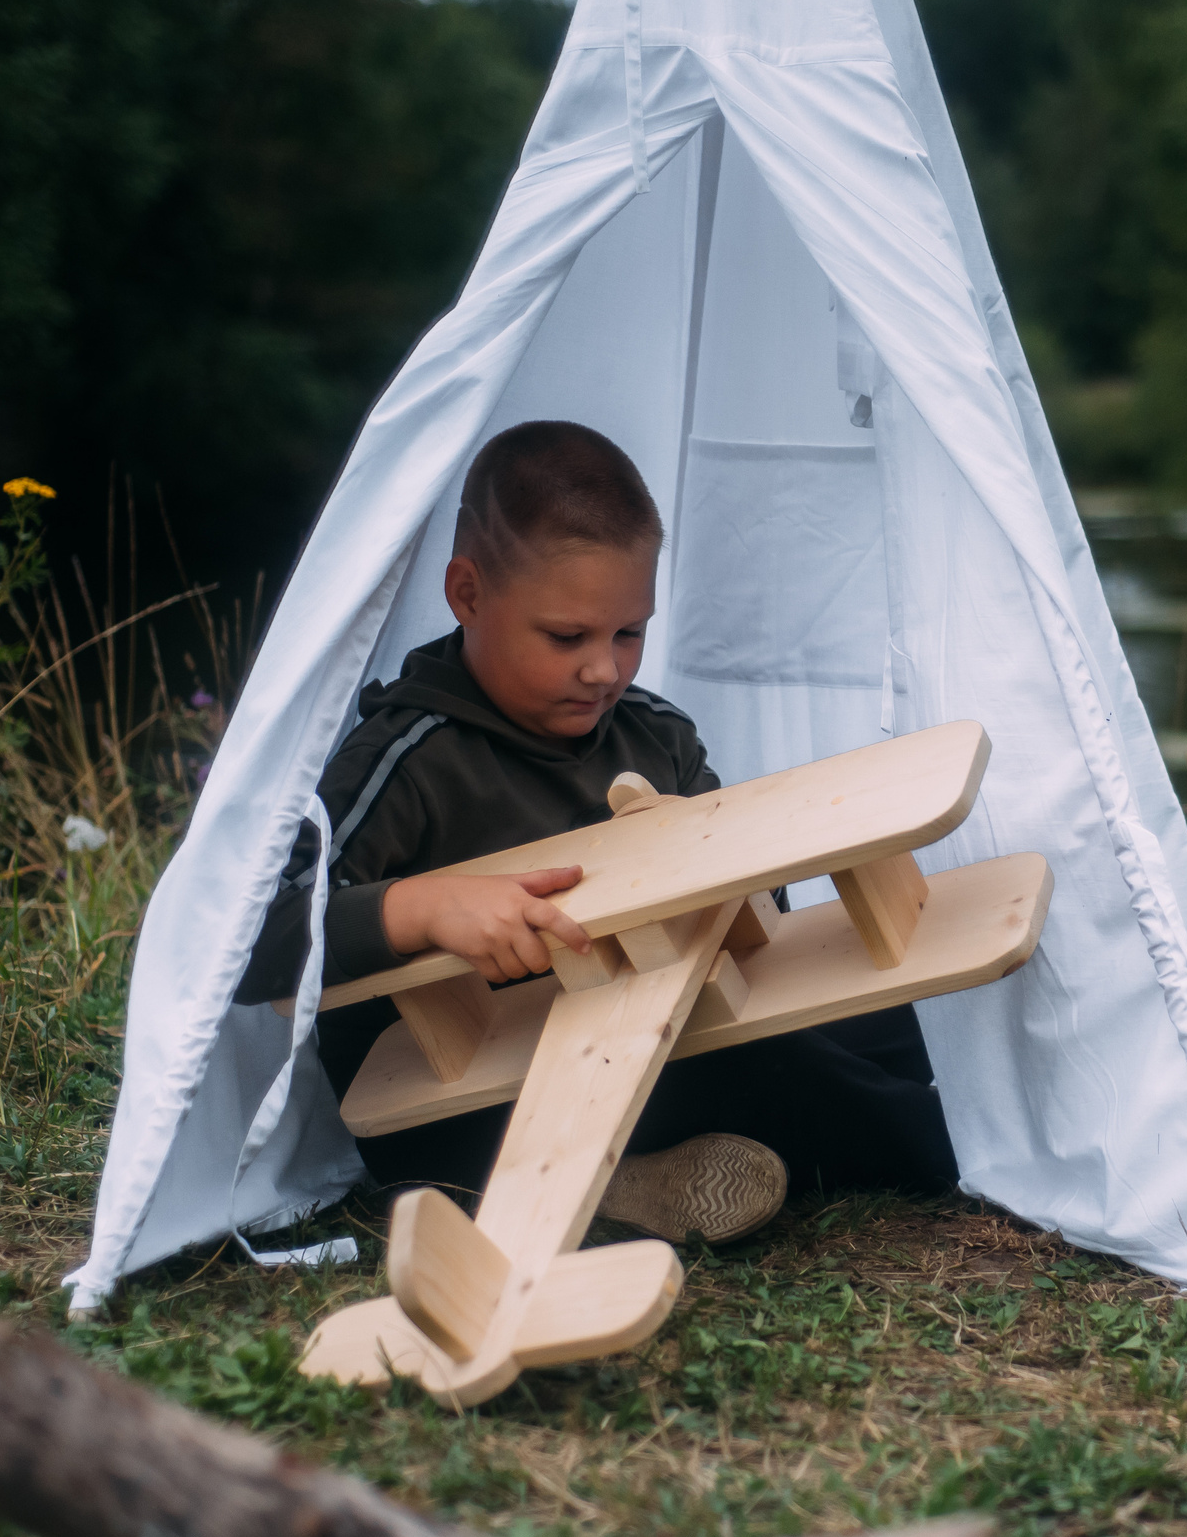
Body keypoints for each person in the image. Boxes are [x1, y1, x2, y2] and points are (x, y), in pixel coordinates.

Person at [238, 420, 958, 1241]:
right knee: (773, 1069)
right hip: (463, 1099)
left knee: (885, 1013)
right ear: (467, 593)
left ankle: (634, 1179)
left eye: (630, 632)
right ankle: (957, 1151)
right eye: (566, 636)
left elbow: (766, 913)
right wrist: (421, 908)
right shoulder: (403, 759)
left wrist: (716, 859)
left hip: (652, 1029)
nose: (604, 669)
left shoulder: (657, 735)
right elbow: (253, 940)